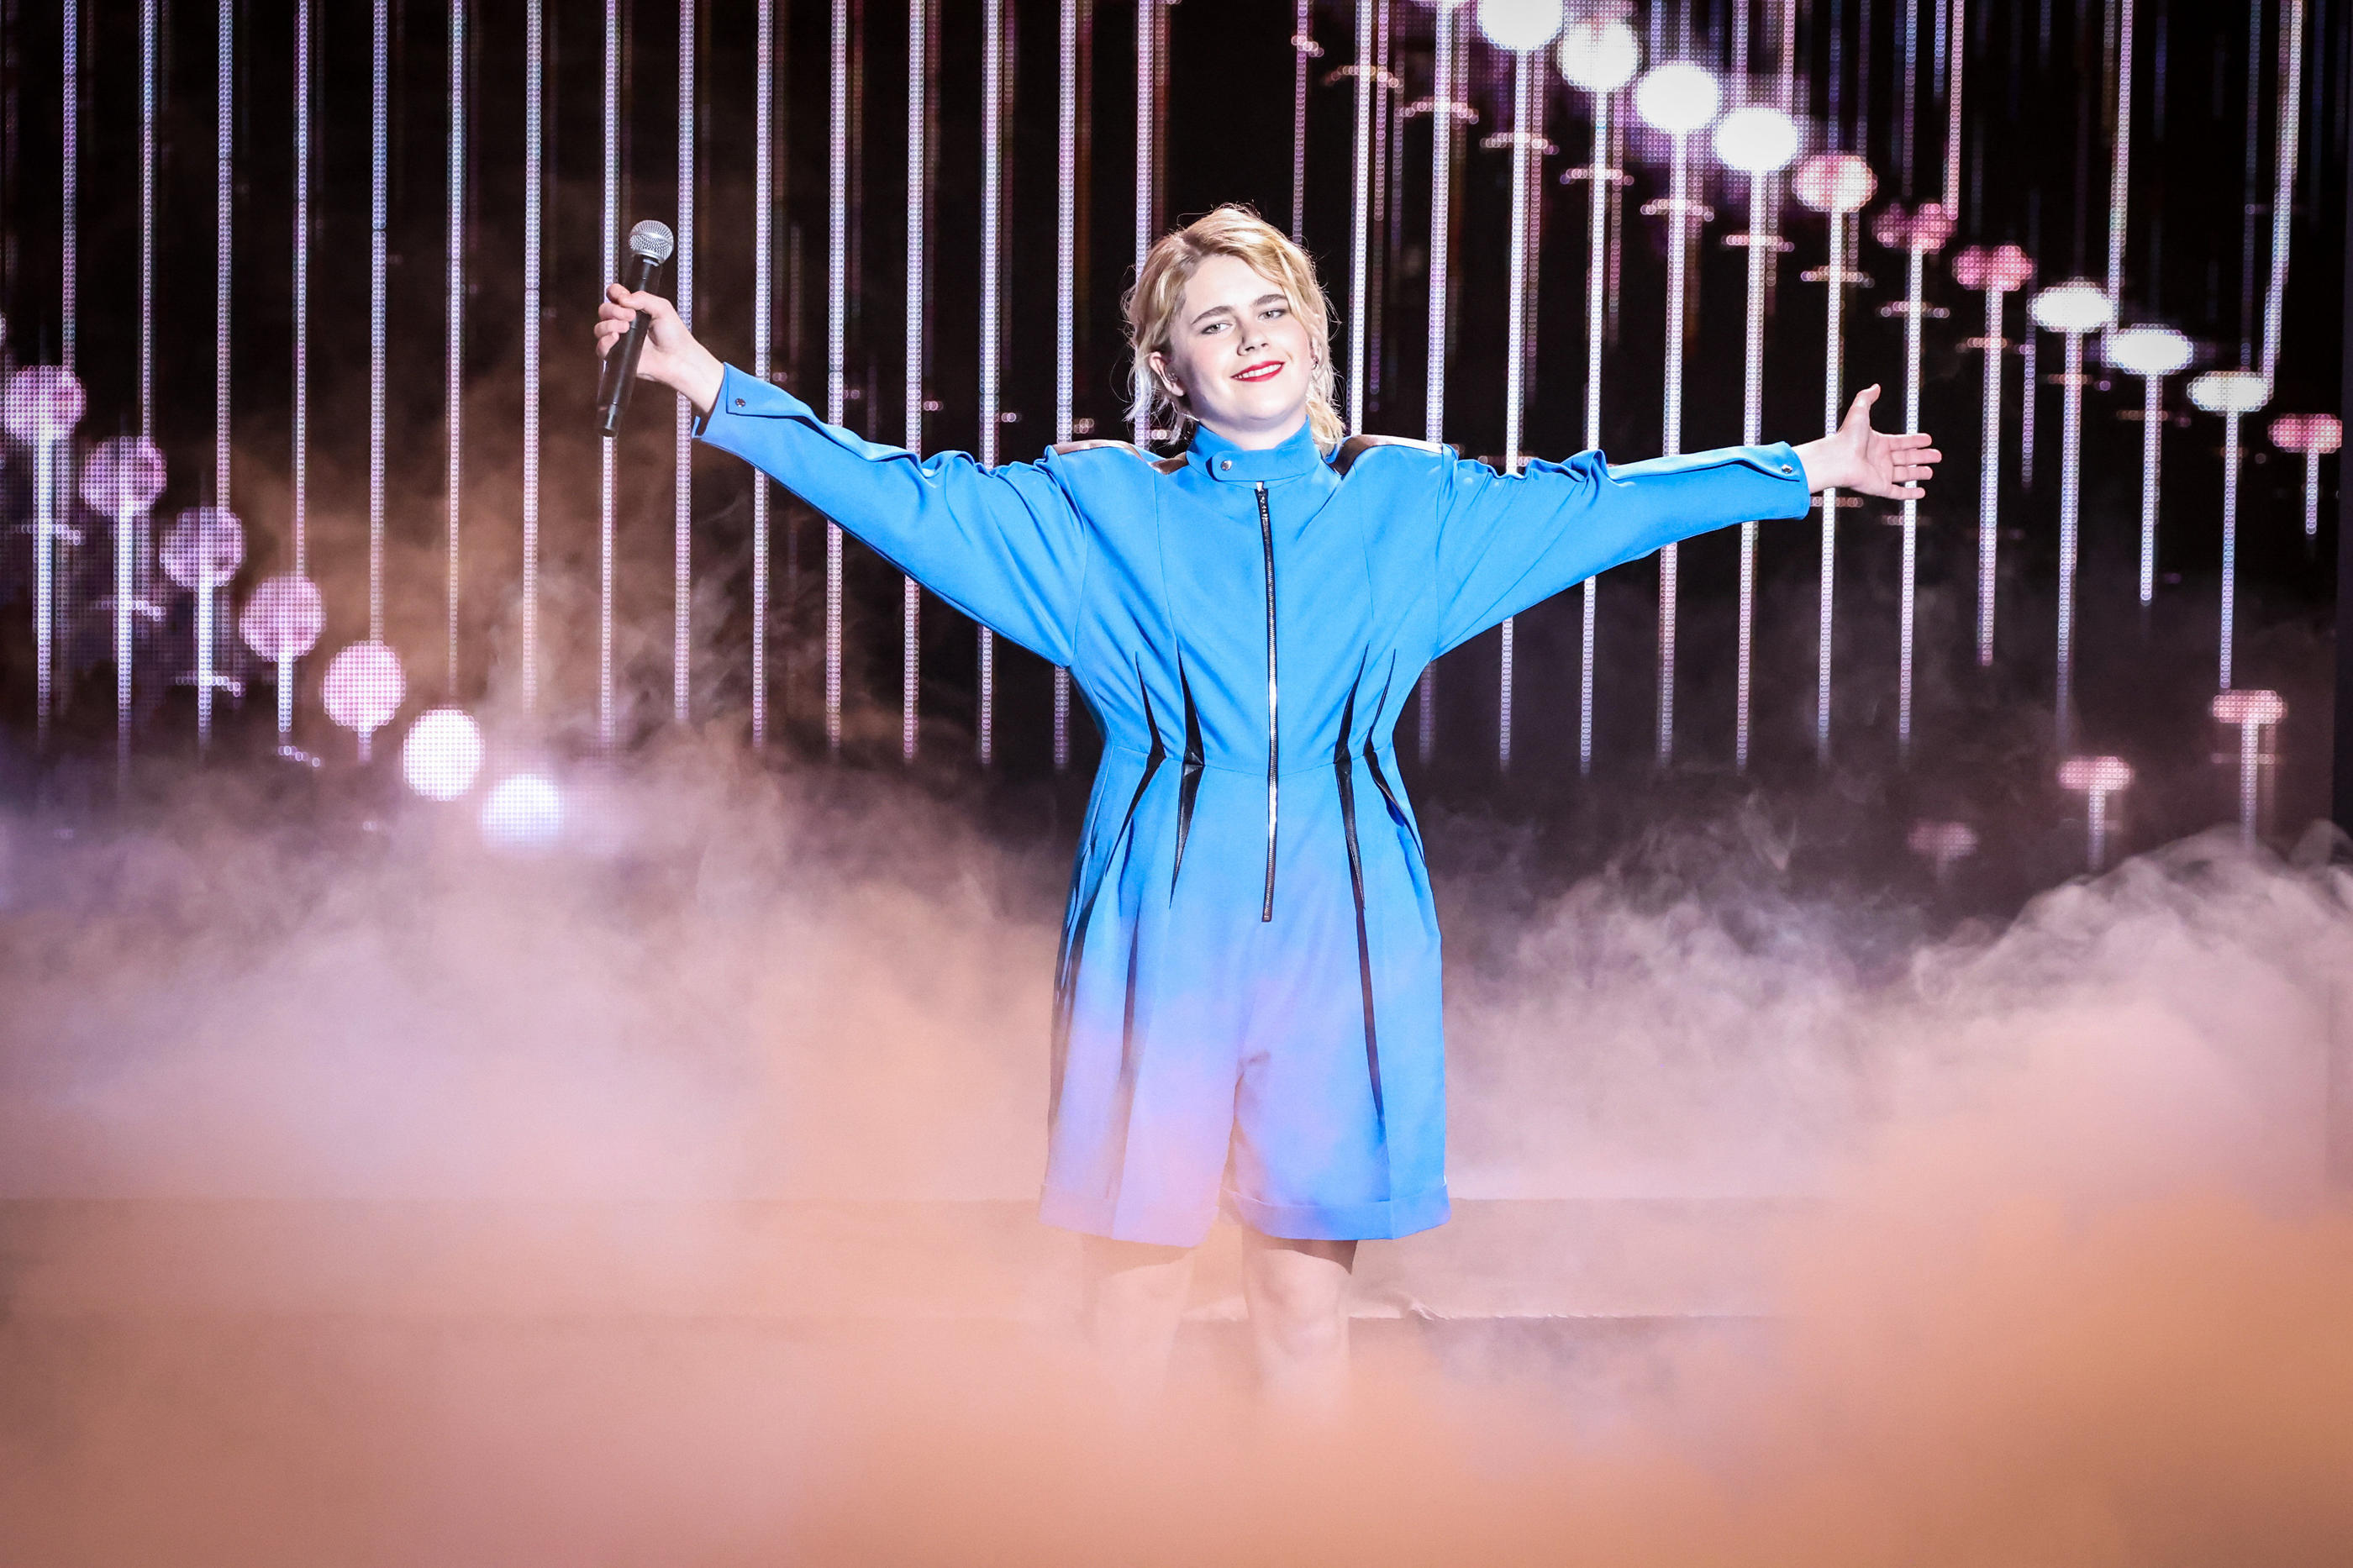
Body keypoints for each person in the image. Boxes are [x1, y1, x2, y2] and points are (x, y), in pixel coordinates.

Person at [597, 203, 1940, 1411]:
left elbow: (1602, 509)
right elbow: (905, 496)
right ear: (1167, 374)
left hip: (1348, 940)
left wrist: (1811, 465)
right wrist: (712, 384)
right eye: (1211, 322)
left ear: (1314, 330)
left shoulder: (1414, 501)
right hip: (1158, 933)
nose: (1250, 337)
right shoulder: (1097, 510)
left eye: (1271, 306)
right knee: (1130, 1300)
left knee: (1305, 1303)